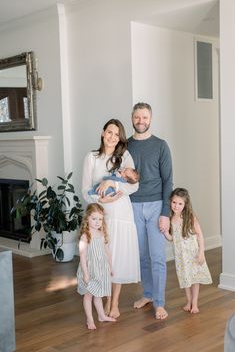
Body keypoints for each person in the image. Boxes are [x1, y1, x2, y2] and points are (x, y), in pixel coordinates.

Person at [82, 119, 140, 319]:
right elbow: (84, 190)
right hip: (101, 215)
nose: (112, 137)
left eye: (117, 135)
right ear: (102, 132)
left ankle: (113, 302)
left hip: (121, 214)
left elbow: (133, 185)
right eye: (109, 132)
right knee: (102, 259)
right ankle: (101, 297)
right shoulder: (91, 157)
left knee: (118, 259)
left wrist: (113, 186)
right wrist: (101, 198)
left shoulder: (124, 156)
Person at [128, 102, 173, 320]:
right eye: (137, 117)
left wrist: (166, 213)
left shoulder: (161, 145)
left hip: (156, 206)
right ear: (132, 119)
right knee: (143, 256)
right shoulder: (125, 146)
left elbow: (168, 181)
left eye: (144, 117)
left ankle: (160, 302)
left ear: (151, 119)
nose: (141, 121)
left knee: (157, 256)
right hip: (132, 206)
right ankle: (148, 294)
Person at [163, 188, 212, 314]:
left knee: (194, 279)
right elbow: (172, 238)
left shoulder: (190, 217)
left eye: (180, 203)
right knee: (185, 279)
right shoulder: (170, 218)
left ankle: (194, 303)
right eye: (174, 202)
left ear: (185, 204)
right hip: (180, 257)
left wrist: (201, 253)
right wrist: (164, 232)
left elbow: (200, 235)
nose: (176, 206)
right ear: (170, 202)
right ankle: (188, 301)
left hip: (193, 254)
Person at [77, 203, 116, 330]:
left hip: (101, 269)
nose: (97, 222)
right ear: (87, 218)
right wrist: (86, 274)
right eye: (94, 218)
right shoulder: (85, 236)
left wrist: (110, 267)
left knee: (98, 294)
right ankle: (89, 319)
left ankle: (101, 316)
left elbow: (107, 251)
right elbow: (82, 257)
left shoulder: (101, 233)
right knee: (89, 295)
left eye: (100, 219)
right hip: (89, 270)